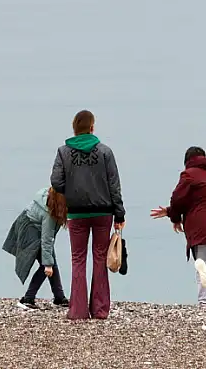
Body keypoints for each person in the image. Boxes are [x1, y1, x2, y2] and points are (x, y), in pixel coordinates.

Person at [50, 110, 125, 320]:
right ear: (92, 127)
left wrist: (71, 191)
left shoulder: (63, 152)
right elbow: (114, 185)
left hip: (76, 213)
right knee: (100, 258)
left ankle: (78, 310)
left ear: (74, 128)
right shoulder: (105, 152)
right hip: (103, 212)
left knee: (78, 259)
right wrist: (119, 212)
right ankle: (100, 310)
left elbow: (56, 181)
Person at [150, 146, 206, 306]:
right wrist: (170, 212)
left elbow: (179, 199)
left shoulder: (188, 175)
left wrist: (173, 216)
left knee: (203, 264)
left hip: (195, 227)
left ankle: (204, 303)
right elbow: (195, 201)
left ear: (187, 161)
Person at [2, 187, 70, 310]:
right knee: (46, 265)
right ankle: (27, 299)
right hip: (30, 229)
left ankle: (59, 298)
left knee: (50, 261)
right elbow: (46, 239)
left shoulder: (50, 196)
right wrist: (47, 264)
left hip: (30, 223)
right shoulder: (50, 215)